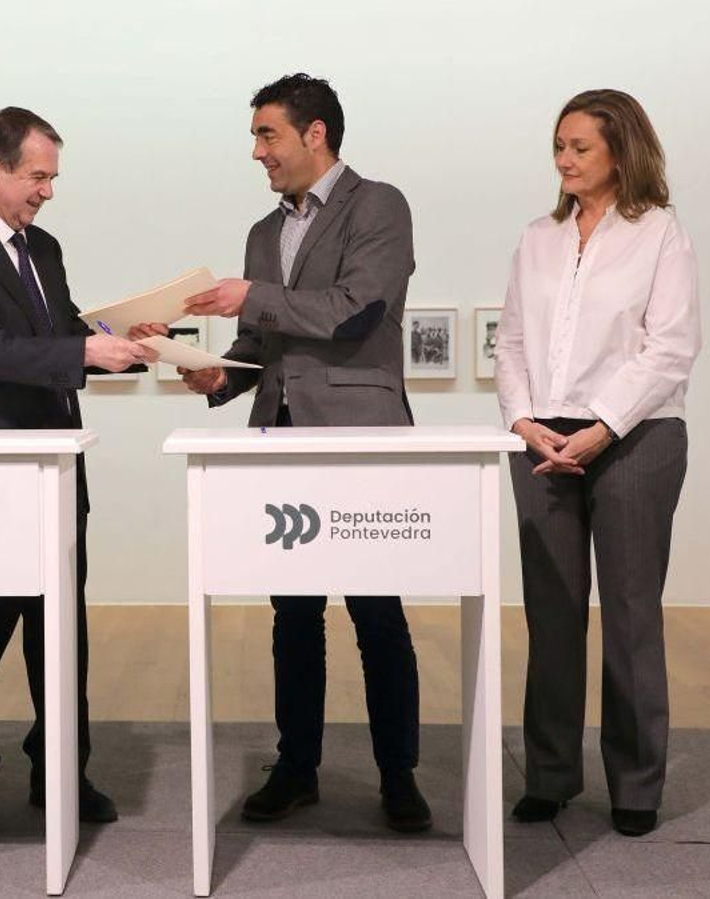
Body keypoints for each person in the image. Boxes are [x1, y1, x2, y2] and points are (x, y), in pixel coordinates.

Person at [151, 73, 431, 832]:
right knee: (293, 612)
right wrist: (214, 373)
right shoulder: (262, 232)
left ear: (315, 134)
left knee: (378, 611)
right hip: (280, 439)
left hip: (359, 440)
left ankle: (398, 774)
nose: (256, 151)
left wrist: (251, 298)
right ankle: (297, 766)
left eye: (267, 134)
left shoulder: (380, 206)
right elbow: (262, 343)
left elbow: (352, 311)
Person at [0, 106, 154, 838]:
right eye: (37, 176)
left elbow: (59, 336)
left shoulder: (41, 247)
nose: (47, 190)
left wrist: (126, 338)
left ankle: (61, 770)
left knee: (60, 624)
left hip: (53, 459)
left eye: (52, 177)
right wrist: (85, 353)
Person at [494, 89, 701, 837]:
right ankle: (549, 774)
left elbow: (670, 346)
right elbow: (512, 340)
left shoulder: (659, 234)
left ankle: (635, 783)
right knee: (551, 615)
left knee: (630, 615)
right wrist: (521, 417)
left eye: (580, 146)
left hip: (637, 441)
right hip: (542, 441)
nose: (564, 159)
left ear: (622, 150)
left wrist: (603, 426)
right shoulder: (537, 237)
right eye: (558, 145)